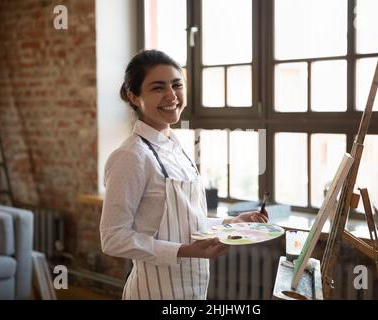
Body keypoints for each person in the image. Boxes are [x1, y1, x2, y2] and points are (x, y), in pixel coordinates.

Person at [99, 49, 268, 300]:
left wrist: (231, 224)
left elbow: (186, 222)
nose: (171, 95)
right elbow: (113, 238)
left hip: (192, 291)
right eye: (157, 88)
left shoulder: (176, 147)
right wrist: (185, 251)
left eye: (177, 85)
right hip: (154, 293)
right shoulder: (131, 156)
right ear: (134, 97)